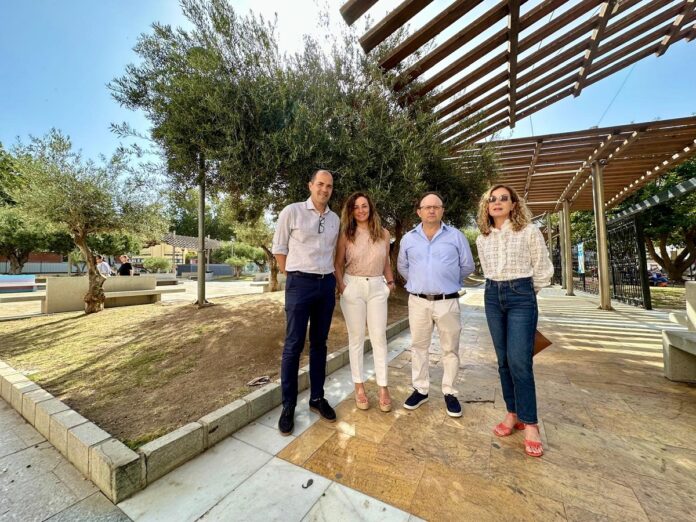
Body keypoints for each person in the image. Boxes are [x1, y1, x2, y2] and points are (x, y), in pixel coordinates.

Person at [476, 184, 554, 457]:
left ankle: (531, 423)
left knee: (520, 361)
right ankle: (513, 413)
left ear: (513, 204)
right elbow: (487, 269)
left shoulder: (529, 231)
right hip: (492, 295)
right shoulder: (482, 238)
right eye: (492, 199)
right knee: (503, 361)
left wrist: (525, 294)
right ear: (486, 207)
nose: (497, 203)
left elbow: (543, 269)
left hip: (521, 295)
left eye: (503, 199)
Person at [272, 169, 340, 435]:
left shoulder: (334, 219)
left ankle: (317, 398)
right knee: (293, 345)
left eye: (329, 186)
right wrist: (293, 276)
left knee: (320, 343)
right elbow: (279, 249)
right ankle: (288, 405)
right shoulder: (292, 212)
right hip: (299, 283)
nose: (324, 189)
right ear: (310, 185)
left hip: (326, 285)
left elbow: (334, 252)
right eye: (320, 184)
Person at [397, 192, 475, 418]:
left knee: (450, 349)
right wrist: (418, 283)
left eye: (436, 206)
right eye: (427, 207)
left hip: (447, 301)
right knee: (418, 346)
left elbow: (467, 266)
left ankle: (450, 392)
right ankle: (420, 389)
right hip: (418, 301)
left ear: (442, 210)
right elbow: (403, 266)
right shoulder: (408, 239)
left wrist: (448, 282)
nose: (431, 210)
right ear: (419, 211)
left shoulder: (456, 236)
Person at [335, 192, 395, 412]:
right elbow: (337, 264)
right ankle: (359, 387)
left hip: (378, 287)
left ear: (370, 208)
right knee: (356, 338)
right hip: (354, 286)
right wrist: (343, 288)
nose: (360, 210)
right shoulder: (346, 234)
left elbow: (386, 262)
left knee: (379, 338)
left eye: (364, 206)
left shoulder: (384, 234)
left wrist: (390, 283)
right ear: (351, 211)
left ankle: (383, 388)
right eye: (356, 207)